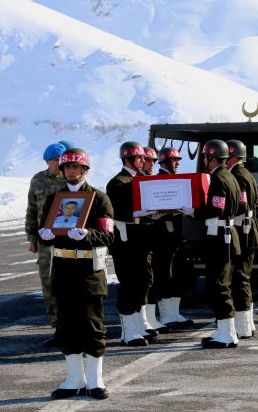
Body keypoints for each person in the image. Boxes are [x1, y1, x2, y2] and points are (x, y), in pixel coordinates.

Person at [38, 147, 115, 400]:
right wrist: (45, 235)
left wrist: (89, 235)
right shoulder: (54, 199)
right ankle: (74, 379)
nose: (71, 171)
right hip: (62, 269)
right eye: (66, 167)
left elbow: (108, 235)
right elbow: (46, 229)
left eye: (75, 167)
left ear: (84, 170)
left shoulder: (99, 198)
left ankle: (95, 379)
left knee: (92, 325)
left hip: (88, 271)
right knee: (68, 325)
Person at [187, 139, 243, 349]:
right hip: (227, 235)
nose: (203, 160)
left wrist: (192, 211)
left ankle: (227, 334)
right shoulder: (230, 176)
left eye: (205, 157)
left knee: (218, 286)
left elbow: (215, 210)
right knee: (222, 284)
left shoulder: (219, 179)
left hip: (220, 238)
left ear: (211, 157)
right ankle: (224, 330)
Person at [106, 141, 157, 346]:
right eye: (140, 158)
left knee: (144, 281)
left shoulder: (142, 179)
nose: (144, 161)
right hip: (126, 240)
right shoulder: (117, 182)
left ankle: (138, 324)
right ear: (128, 159)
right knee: (128, 283)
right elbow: (119, 211)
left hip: (142, 238)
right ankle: (128, 331)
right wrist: (145, 211)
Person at [24, 141, 67, 347]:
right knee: (49, 286)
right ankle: (58, 328)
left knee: (70, 285)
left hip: (68, 241)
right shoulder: (38, 180)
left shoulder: (71, 179)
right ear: (47, 161)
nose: (59, 164)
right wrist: (32, 238)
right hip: (45, 242)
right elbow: (32, 210)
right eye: (55, 160)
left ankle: (73, 326)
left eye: (62, 160)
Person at [148, 146, 195, 331]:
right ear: (165, 162)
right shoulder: (158, 180)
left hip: (176, 233)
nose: (176, 164)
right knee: (164, 274)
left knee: (178, 275)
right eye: (174, 160)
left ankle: (174, 313)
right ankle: (166, 314)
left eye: (177, 161)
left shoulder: (175, 180)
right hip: (162, 235)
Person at [226, 140, 258, 338]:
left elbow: (241, 205)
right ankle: (247, 323)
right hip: (247, 229)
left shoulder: (238, 176)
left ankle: (242, 325)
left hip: (243, 230)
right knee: (244, 277)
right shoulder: (245, 173)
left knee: (240, 278)